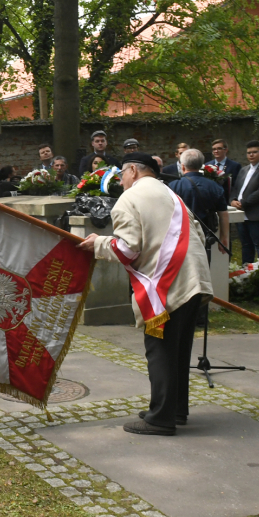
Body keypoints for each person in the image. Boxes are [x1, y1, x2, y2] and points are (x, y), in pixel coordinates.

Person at [78, 153, 212, 435]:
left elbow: (129, 248)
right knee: (179, 348)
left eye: (122, 175)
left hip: (168, 284)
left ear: (133, 171)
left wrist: (99, 243)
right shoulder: (170, 193)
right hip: (194, 279)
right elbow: (197, 233)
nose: (120, 181)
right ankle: (175, 409)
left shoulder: (130, 198)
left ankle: (161, 418)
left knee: (160, 350)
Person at [169, 148, 229, 250]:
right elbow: (223, 214)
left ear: (182, 166)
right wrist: (224, 238)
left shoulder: (173, 186)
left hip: (180, 236)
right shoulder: (214, 186)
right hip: (205, 234)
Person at [231, 140, 259, 264]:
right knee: (245, 245)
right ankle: (246, 274)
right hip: (241, 214)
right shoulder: (244, 170)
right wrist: (232, 200)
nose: (251, 155)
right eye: (249, 153)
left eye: (254, 152)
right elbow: (235, 188)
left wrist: (243, 203)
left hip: (256, 214)